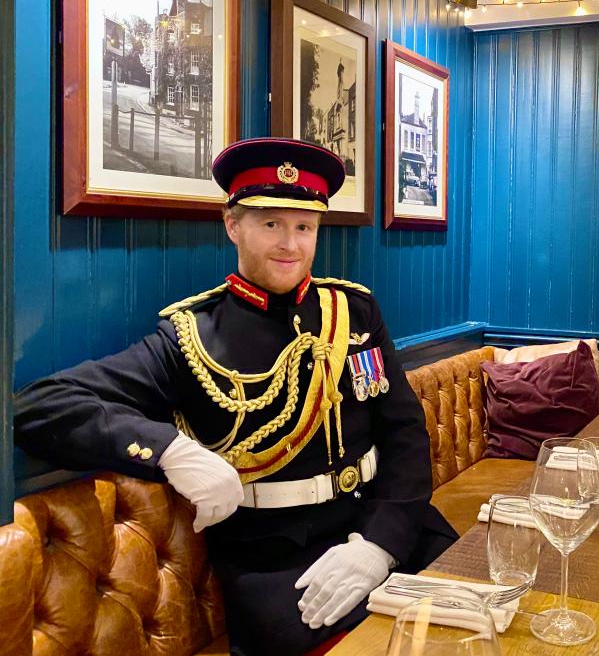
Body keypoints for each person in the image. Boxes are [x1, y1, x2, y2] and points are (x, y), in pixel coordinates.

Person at [13, 137, 458, 656]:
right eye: (271, 224)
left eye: (303, 227)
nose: (289, 244)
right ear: (233, 225)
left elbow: (404, 434)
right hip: (282, 566)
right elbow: (39, 405)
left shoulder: (355, 313)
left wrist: (380, 543)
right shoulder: (190, 337)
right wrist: (169, 449)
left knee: (482, 623)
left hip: (387, 528)